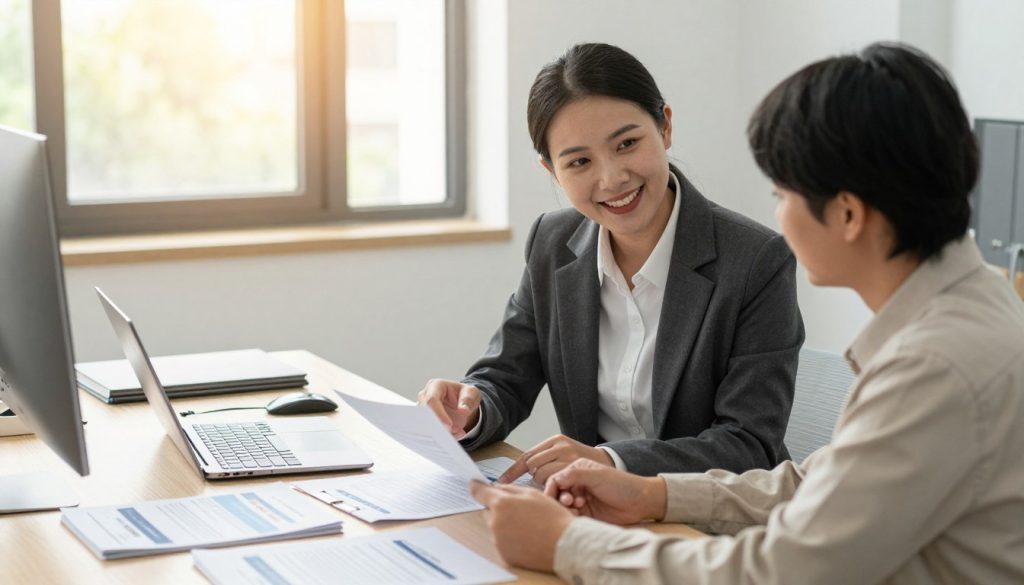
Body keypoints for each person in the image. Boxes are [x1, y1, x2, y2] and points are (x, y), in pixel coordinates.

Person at [470, 42, 1024, 584]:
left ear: (848, 214)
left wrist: (570, 545)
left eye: (782, 193)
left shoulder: (933, 366)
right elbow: (822, 484)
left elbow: (785, 568)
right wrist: (650, 492)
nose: (778, 217)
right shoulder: (970, 311)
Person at [419, 43, 804, 482]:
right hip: (597, 515)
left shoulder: (756, 261)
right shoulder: (552, 242)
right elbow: (505, 377)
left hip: (712, 525)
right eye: (579, 161)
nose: (612, 178)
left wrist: (611, 463)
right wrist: (469, 408)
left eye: (627, 143)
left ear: (665, 127)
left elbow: (749, 443)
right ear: (551, 171)